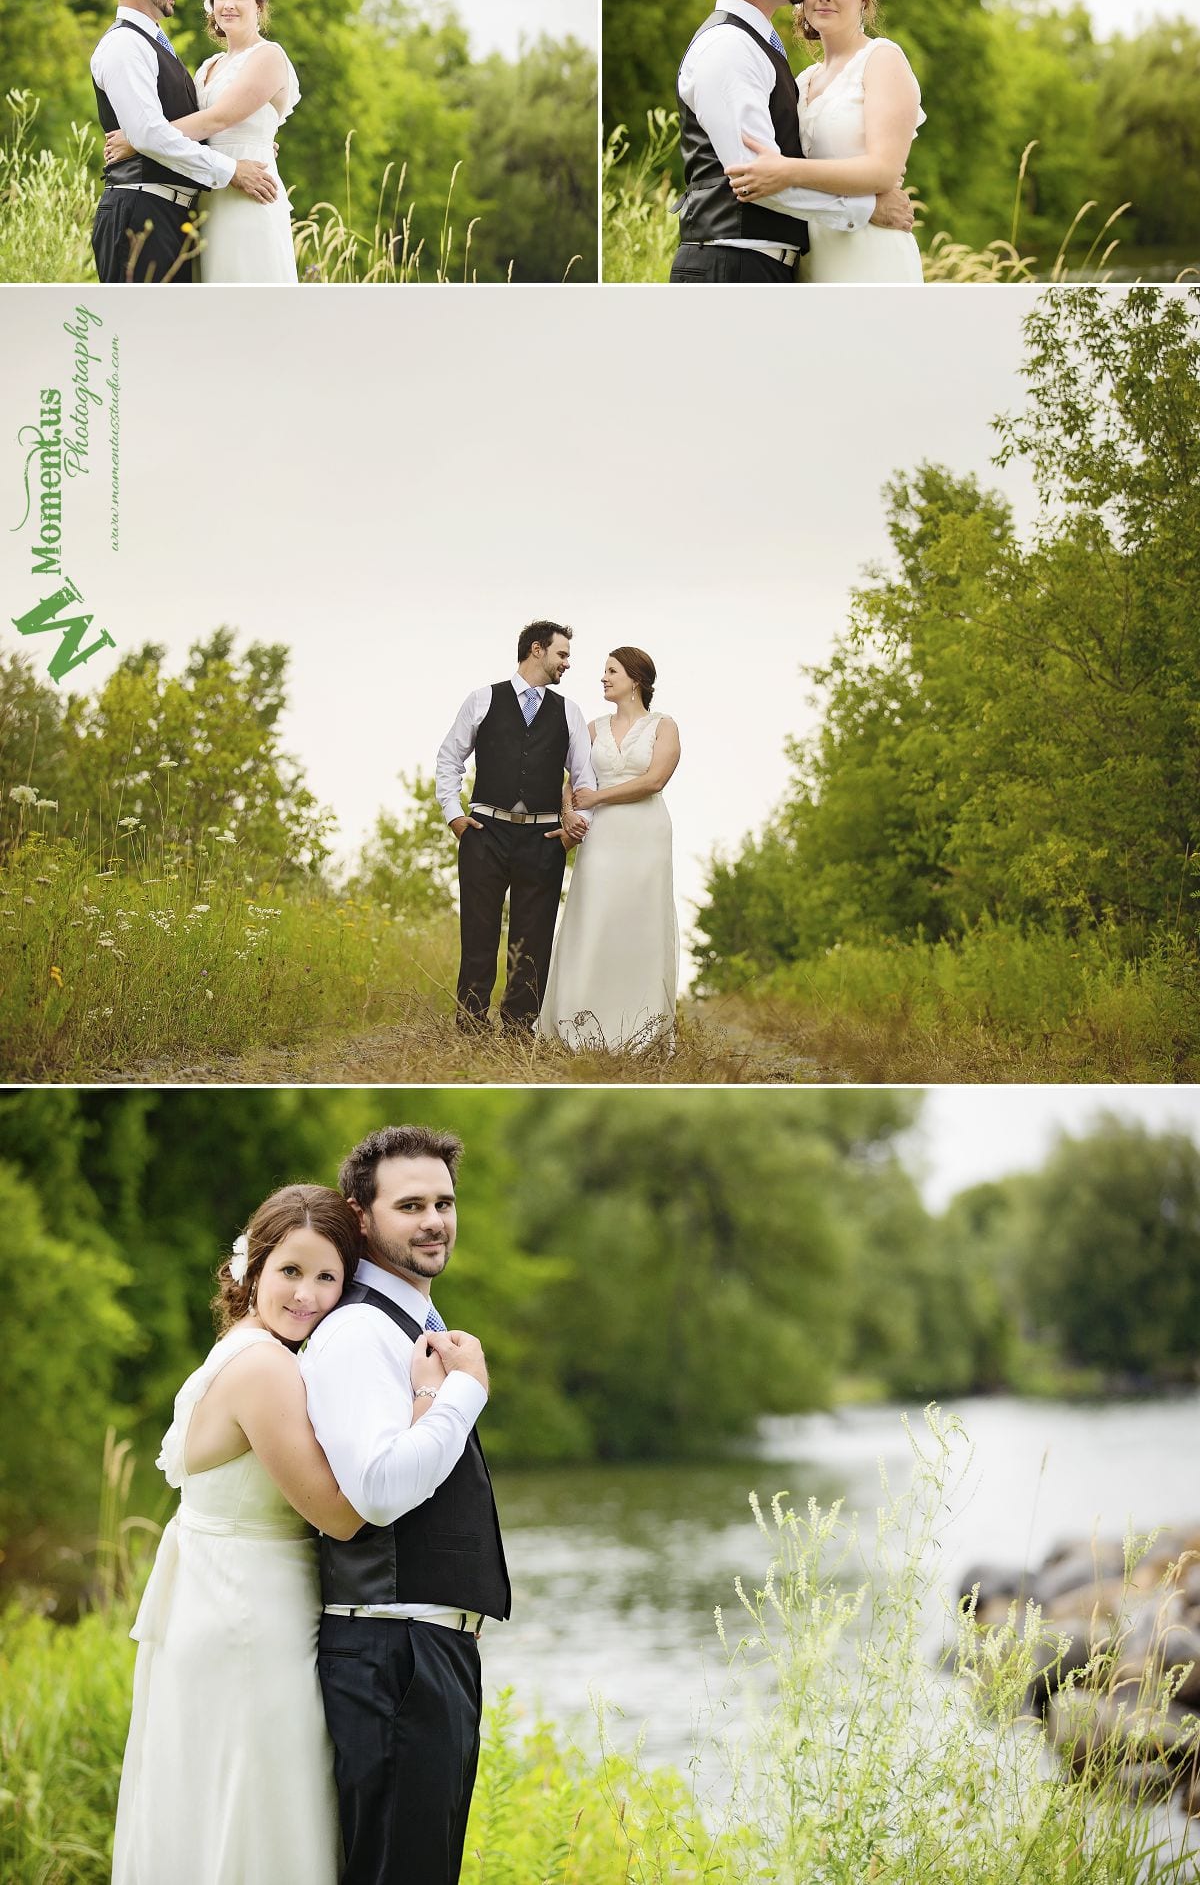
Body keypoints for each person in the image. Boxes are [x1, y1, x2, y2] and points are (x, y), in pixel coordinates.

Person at [112, 1183, 448, 1884]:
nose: (307, 1295)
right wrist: (429, 1402)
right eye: (290, 1271)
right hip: (249, 1622)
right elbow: (343, 1512)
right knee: (266, 1818)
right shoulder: (265, 1367)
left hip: (223, 1604)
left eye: (327, 1277)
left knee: (229, 1809)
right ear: (252, 1269)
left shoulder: (243, 1345)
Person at [300, 1123, 509, 1885]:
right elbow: (378, 1495)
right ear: (362, 1216)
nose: (434, 1221)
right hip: (394, 1658)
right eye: (410, 1204)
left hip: (423, 1654)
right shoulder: (358, 1331)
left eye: (445, 1202)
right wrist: (466, 1392)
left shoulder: (418, 1328)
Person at [670, 0, 914, 284]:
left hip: (832, 258)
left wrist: (790, 172)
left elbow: (778, 173)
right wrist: (865, 209)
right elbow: (757, 180)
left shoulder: (872, 60)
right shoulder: (732, 48)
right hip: (739, 262)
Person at [726, 0, 925, 283]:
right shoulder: (801, 82)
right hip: (813, 257)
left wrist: (787, 170)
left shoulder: (882, 60)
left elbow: (882, 171)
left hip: (872, 255)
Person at [435, 620, 597, 1031]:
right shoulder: (483, 699)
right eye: (562, 654)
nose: (567, 664)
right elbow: (449, 758)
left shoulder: (569, 712)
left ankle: (519, 1027)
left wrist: (575, 829)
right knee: (478, 931)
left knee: (534, 937)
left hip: (543, 838)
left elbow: (585, 778)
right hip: (484, 832)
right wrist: (454, 814)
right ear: (537, 650)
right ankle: (470, 1022)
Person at [90, 0, 277, 283]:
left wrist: (247, 142)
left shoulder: (153, 42)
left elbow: (175, 125)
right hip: (139, 213)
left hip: (171, 215)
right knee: (142, 335)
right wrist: (231, 168)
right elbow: (149, 134)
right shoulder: (124, 45)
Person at [539, 647, 680, 1051]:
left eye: (612, 671)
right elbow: (572, 780)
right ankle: (578, 1025)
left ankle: (640, 1030)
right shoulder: (593, 727)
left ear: (635, 679)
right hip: (600, 838)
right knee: (594, 916)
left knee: (639, 923)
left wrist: (596, 799)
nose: (603, 677)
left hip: (645, 833)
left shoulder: (663, 726)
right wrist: (568, 812)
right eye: (604, 671)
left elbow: (654, 781)